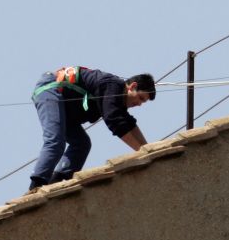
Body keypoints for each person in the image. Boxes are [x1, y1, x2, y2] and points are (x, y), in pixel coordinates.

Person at [28, 67, 156, 191]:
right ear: (132, 86)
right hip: (52, 90)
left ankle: (57, 181)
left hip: (67, 109)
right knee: (56, 141)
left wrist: (148, 149)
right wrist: (141, 151)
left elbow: (129, 123)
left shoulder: (117, 98)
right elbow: (114, 121)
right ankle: (36, 185)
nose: (139, 104)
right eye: (140, 98)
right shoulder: (112, 85)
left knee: (82, 144)